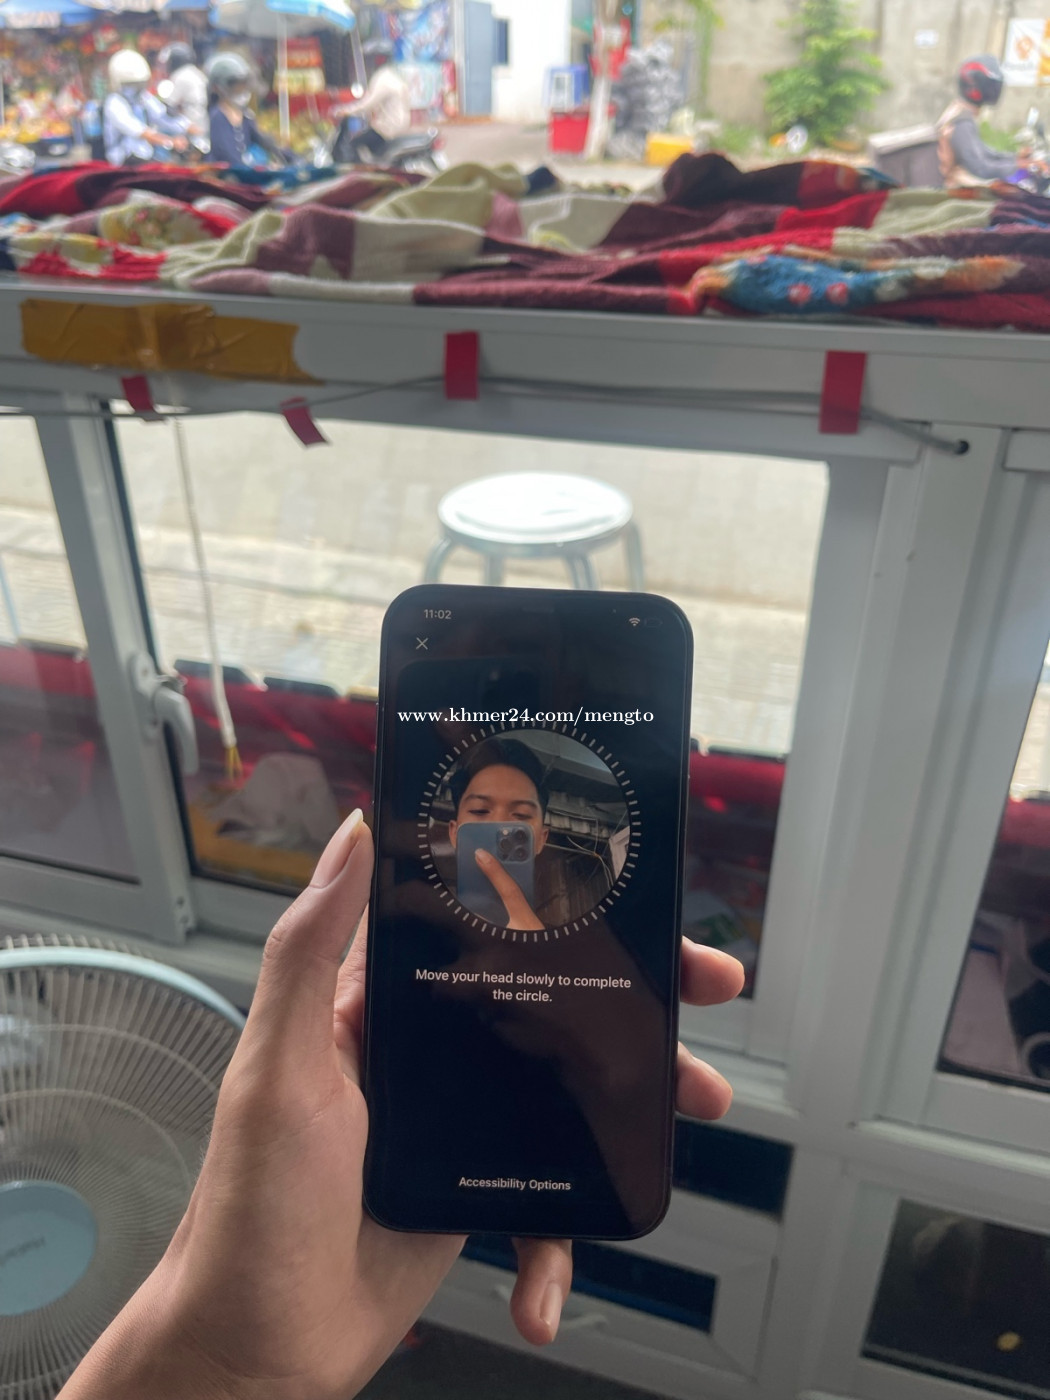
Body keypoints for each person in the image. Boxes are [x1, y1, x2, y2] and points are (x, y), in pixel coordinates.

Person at [56, 811, 743, 1399]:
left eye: (519, 818)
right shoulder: (428, 903)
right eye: (482, 809)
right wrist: (223, 1365)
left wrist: (221, 1366)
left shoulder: (563, 895)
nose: (500, 835)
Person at [936, 55, 1034, 187]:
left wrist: (1015, 158)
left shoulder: (961, 113)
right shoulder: (961, 121)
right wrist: (1017, 165)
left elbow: (985, 153)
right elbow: (980, 167)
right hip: (957, 190)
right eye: (991, 85)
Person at [330, 37, 411, 164]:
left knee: (353, 144)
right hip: (396, 124)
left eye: (371, 59)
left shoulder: (383, 79)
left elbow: (368, 103)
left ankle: (362, 173)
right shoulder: (390, 75)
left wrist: (346, 110)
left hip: (387, 127)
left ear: (379, 59)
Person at [103, 50, 188, 167]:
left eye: (139, 83)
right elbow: (138, 130)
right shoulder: (114, 103)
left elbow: (162, 117)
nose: (135, 88)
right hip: (122, 163)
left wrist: (189, 128)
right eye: (130, 84)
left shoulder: (143, 97)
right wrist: (170, 142)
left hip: (146, 159)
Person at [206, 51, 287, 169]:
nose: (240, 89)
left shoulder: (245, 115)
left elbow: (262, 140)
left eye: (243, 83)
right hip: (228, 175)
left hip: (246, 173)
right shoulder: (217, 117)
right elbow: (227, 154)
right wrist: (253, 169)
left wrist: (287, 156)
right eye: (235, 84)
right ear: (217, 88)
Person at [159, 42, 208, 145]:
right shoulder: (197, 73)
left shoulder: (180, 76)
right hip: (204, 122)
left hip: (193, 124)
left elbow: (168, 105)